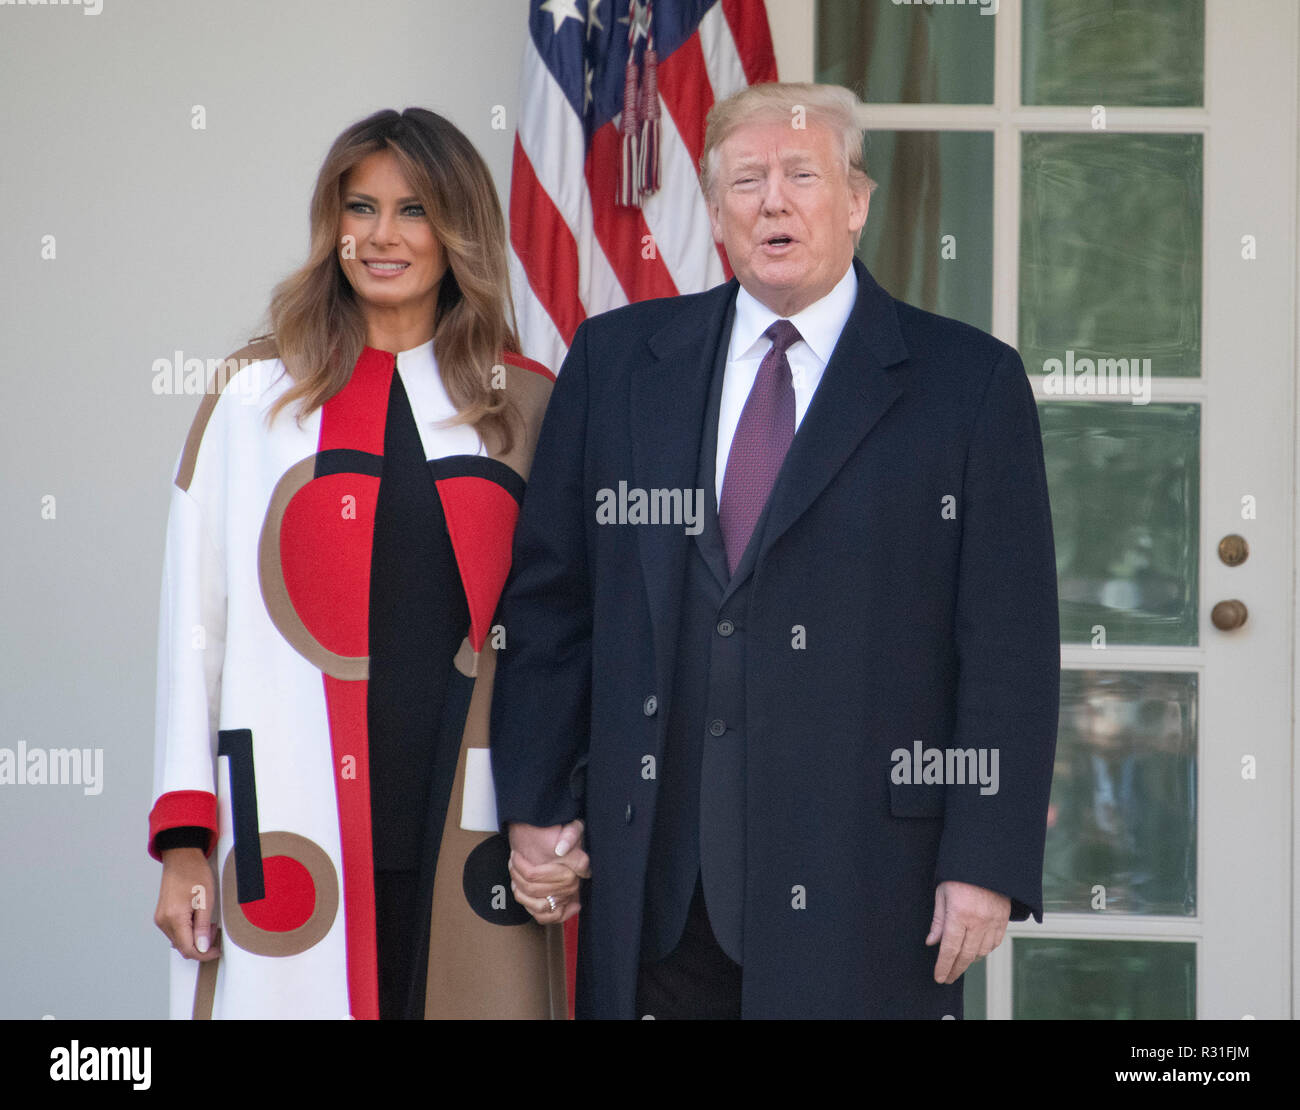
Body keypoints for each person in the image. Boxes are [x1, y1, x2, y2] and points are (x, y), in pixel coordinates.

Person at [491, 82, 1060, 1019]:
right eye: (746, 180)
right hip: (657, 897)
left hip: (874, 892)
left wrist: (984, 860)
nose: (773, 201)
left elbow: (1008, 646)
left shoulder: (969, 384)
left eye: (802, 174)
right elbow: (554, 604)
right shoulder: (618, 361)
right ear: (714, 212)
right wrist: (539, 803)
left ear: (858, 201)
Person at [148, 107, 584, 1019]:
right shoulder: (254, 398)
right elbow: (195, 624)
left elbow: (572, 635)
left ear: (458, 230)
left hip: (471, 819)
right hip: (293, 816)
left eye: (415, 210)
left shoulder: (527, 404)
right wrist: (185, 839)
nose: (383, 235)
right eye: (361, 207)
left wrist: (568, 811)